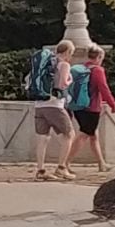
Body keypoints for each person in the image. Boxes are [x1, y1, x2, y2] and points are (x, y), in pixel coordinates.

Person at [66, 44, 115, 174]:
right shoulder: (98, 70)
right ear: (99, 57)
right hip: (92, 107)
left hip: (78, 106)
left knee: (93, 135)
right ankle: (64, 163)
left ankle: (101, 163)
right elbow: (103, 88)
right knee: (84, 134)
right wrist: (112, 103)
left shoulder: (82, 69)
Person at [35, 40, 77, 181]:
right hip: (54, 104)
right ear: (67, 52)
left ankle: (40, 170)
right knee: (70, 134)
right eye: (71, 53)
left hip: (39, 104)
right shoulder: (63, 64)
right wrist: (70, 81)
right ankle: (61, 168)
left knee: (43, 138)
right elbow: (61, 84)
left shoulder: (46, 63)